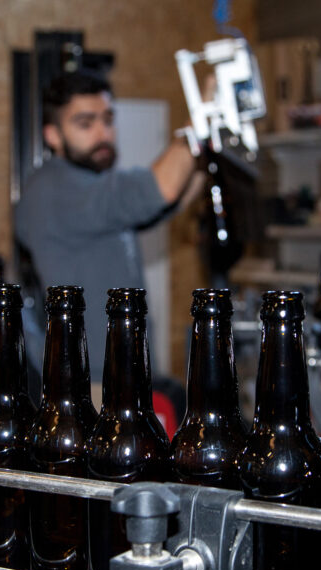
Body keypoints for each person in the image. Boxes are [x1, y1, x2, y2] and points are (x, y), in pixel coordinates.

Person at [14, 70, 202, 381]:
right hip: (90, 382)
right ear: (53, 136)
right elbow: (161, 189)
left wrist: (206, 156)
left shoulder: (92, 187)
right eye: (85, 124)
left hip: (125, 372)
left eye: (108, 120)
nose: (103, 133)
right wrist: (199, 123)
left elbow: (170, 200)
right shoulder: (52, 189)